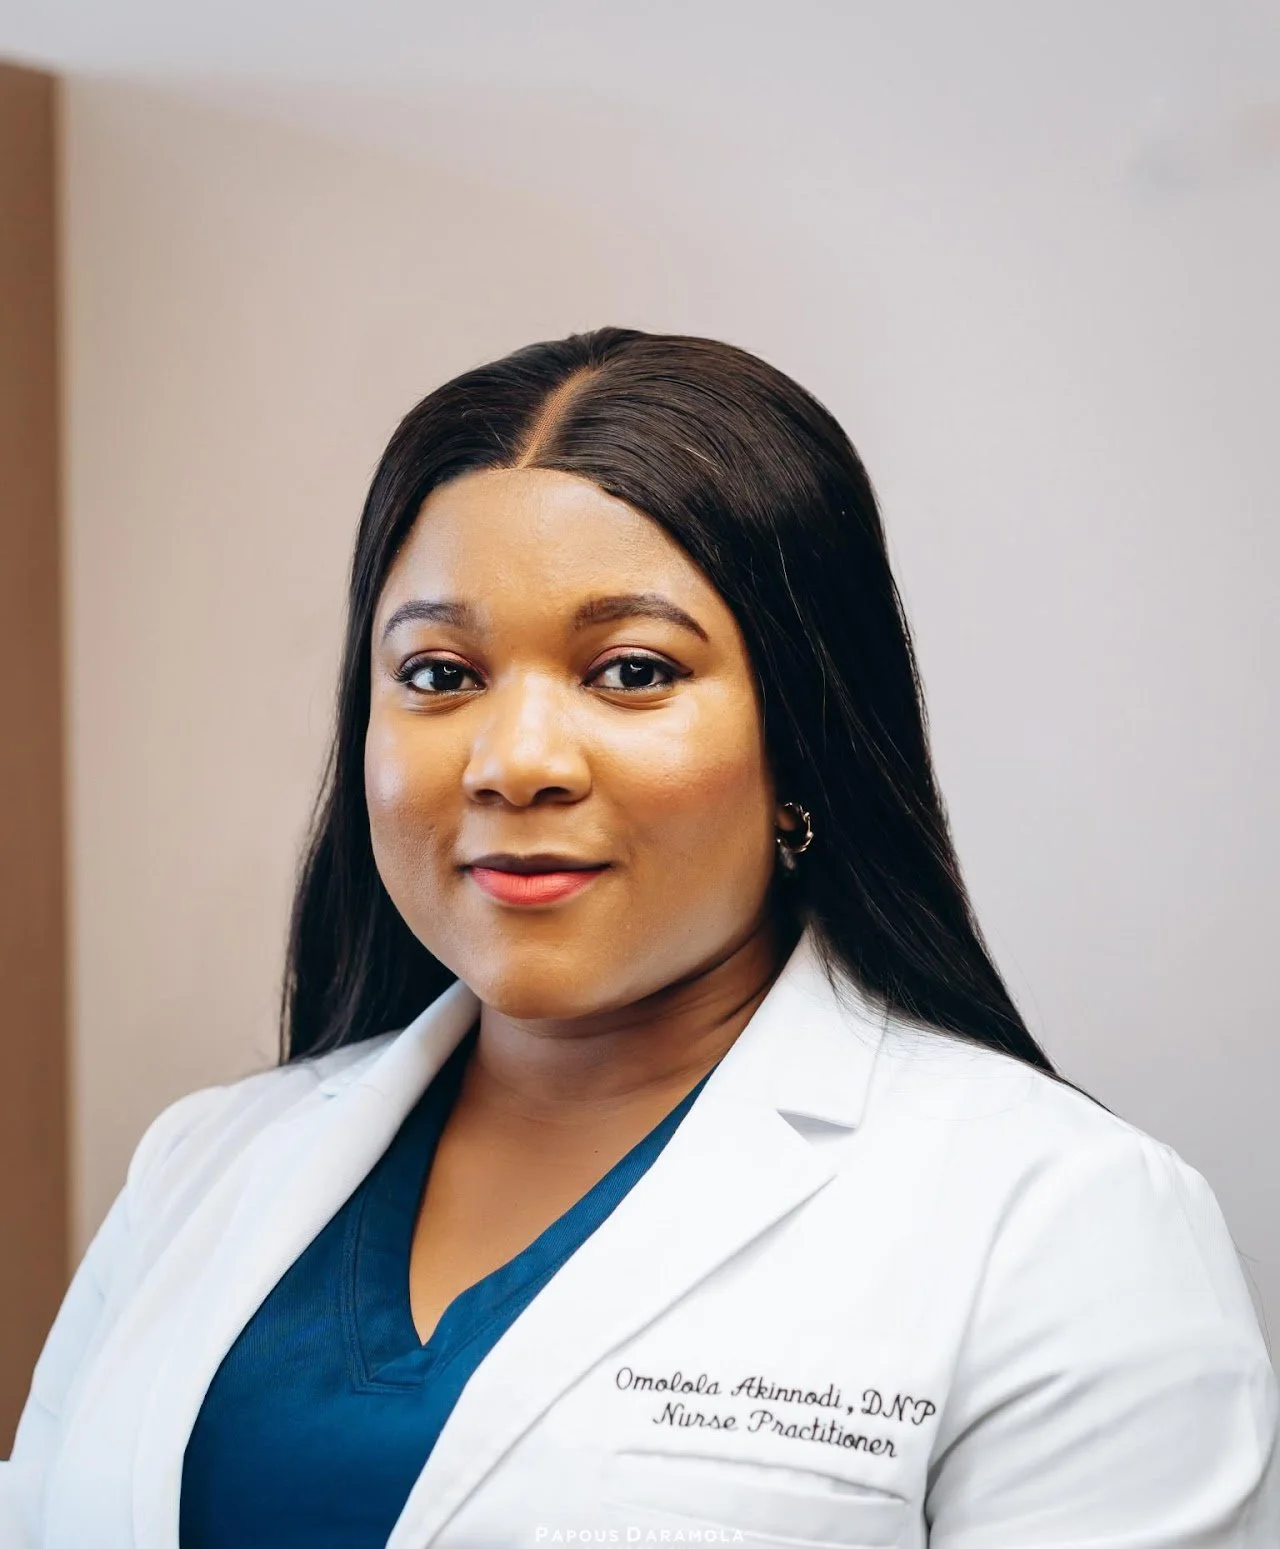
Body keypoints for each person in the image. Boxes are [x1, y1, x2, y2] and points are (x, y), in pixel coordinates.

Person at [2, 327, 1276, 1548]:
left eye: (631, 672)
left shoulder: (1062, 1223)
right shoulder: (202, 1166)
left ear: (803, 738)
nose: (516, 764)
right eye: (441, 675)